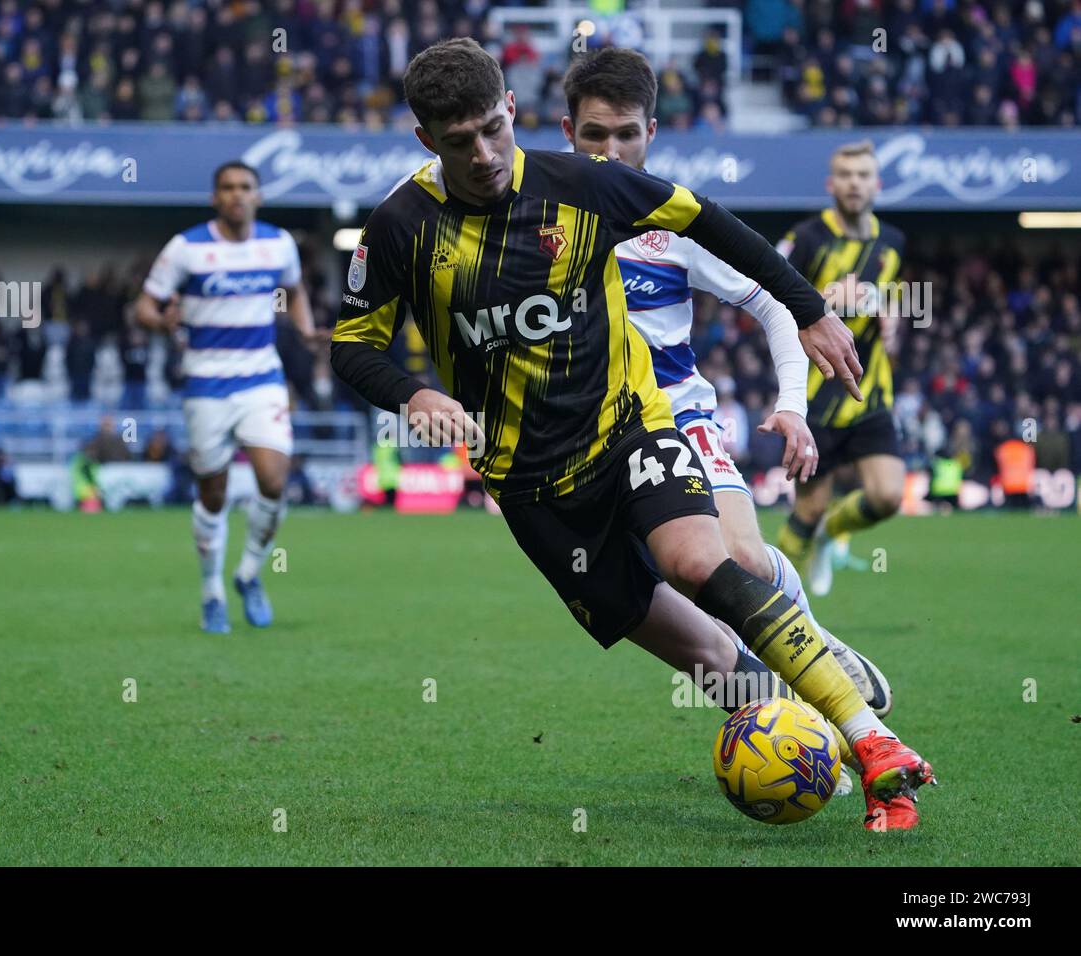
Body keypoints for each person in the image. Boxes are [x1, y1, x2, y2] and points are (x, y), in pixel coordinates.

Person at [330, 39, 933, 830]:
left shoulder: (586, 185)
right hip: (533, 489)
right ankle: (809, 727)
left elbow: (713, 223)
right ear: (425, 142)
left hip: (634, 426)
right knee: (711, 660)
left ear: (512, 108)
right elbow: (352, 344)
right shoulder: (402, 227)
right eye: (457, 141)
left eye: (491, 129)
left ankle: (873, 742)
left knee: (704, 559)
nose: (482, 155)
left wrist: (811, 311)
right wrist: (412, 395)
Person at [557, 48, 894, 737]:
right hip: (589, 438)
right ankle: (783, 719)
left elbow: (776, 304)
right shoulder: (537, 224)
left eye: (627, 133)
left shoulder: (677, 222)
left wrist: (792, 406)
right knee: (681, 598)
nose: (612, 151)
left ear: (652, 132)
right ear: (568, 133)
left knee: (734, 561)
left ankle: (810, 645)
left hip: (678, 414)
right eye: (595, 135)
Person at [135, 161, 322, 633]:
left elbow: (294, 290)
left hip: (261, 378)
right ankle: (211, 592)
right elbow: (143, 306)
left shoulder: (278, 243)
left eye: (245, 187)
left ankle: (249, 574)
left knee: (274, 481)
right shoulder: (186, 248)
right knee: (213, 495)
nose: (237, 195)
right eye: (228, 188)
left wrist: (303, 330)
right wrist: (162, 322)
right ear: (215, 197)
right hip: (205, 384)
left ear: (258, 195)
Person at [775, 141, 908, 597]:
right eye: (846, 175)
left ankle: (833, 530)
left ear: (877, 183)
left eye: (863, 175)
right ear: (832, 184)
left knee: (889, 495)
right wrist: (827, 300)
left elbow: (891, 301)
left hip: (869, 391)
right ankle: (770, 604)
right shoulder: (807, 238)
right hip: (814, 393)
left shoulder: (893, 243)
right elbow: (769, 300)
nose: (855, 183)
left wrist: (892, 319)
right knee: (804, 514)